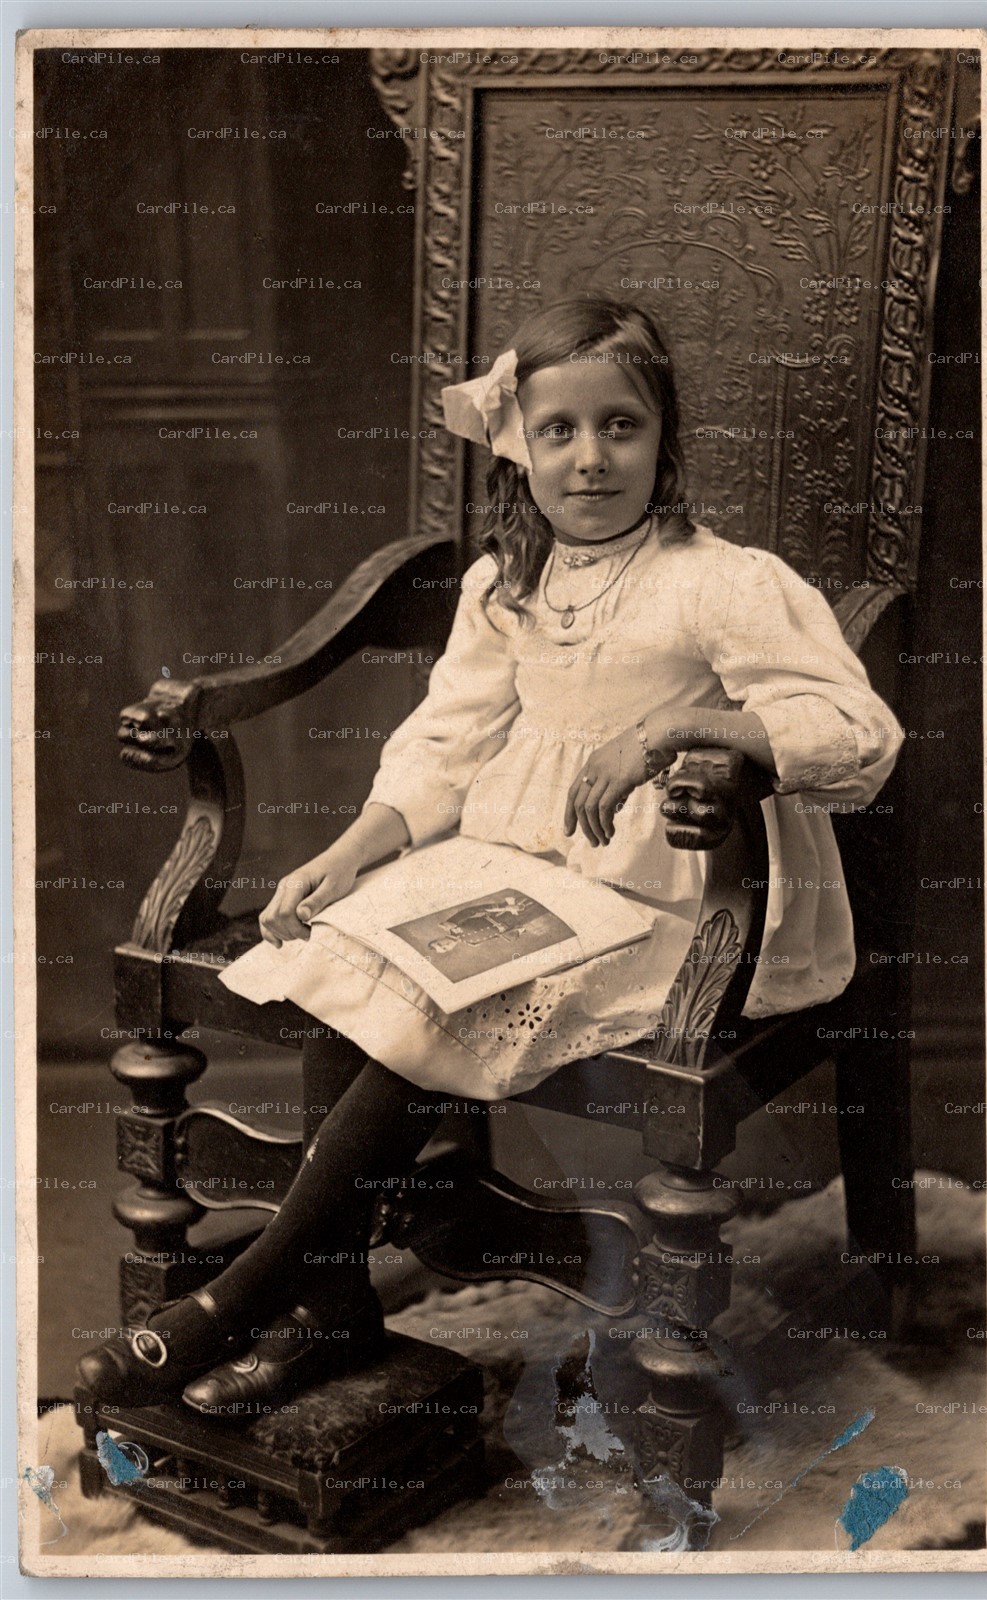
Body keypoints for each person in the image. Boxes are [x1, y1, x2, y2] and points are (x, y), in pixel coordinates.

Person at [77, 297, 904, 1415]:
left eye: (621, 425)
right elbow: (447, 739)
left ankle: (242, 1299)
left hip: (677, 905)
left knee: (428, 999)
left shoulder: (722, 580)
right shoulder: (504, 582)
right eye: (558, 430)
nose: (590, 456)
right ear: (522, 451)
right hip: (523, 870)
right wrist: (353, 846)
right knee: (349, 948)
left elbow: (857, 734)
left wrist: (678, 732)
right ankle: (327, 1307)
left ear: (664, 439)